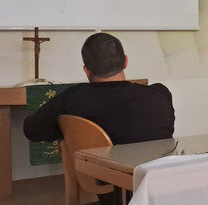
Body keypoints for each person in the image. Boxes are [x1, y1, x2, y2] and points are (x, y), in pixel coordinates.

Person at [23, 32, 175, 145]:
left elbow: (32, 130)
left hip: (100, 178)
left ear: (86, 70)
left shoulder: (72, 99)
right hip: (156, 175)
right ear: (125, 61)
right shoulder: (159, 95)